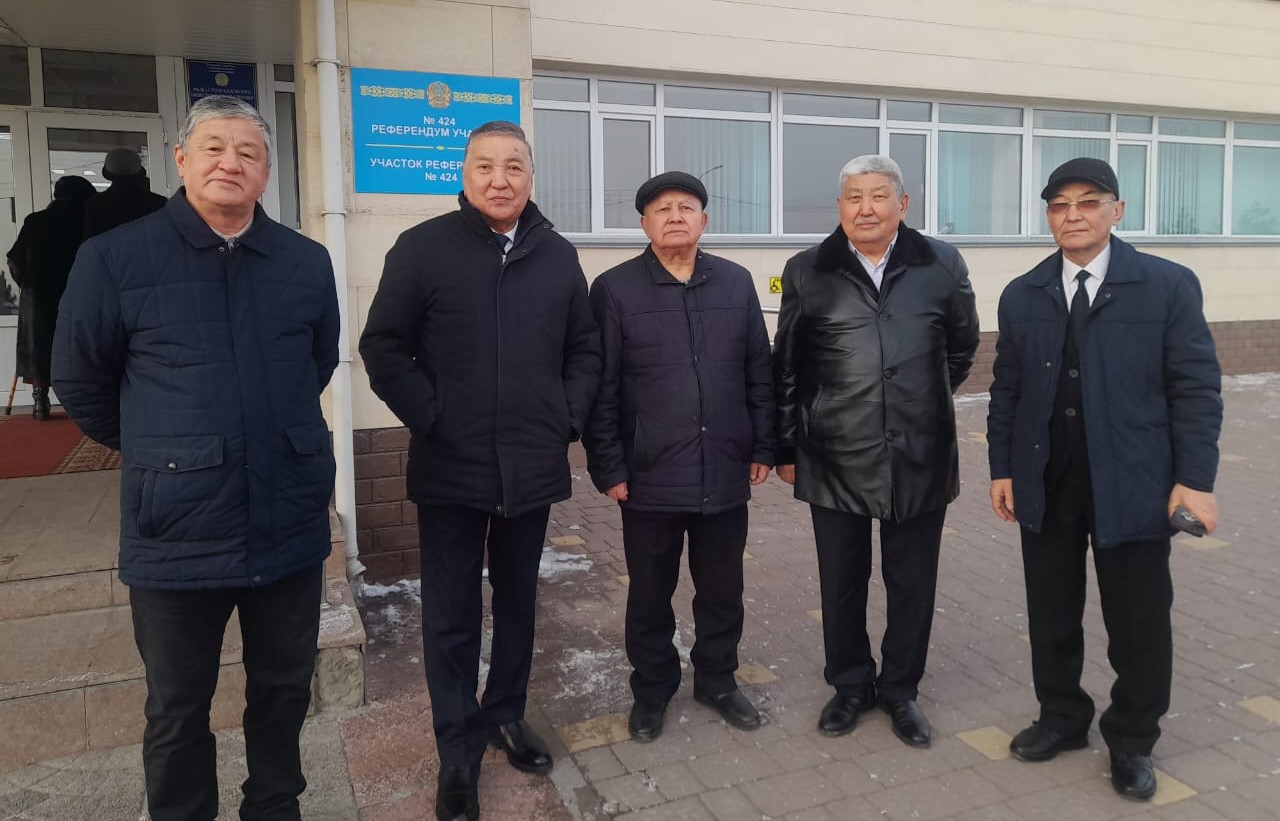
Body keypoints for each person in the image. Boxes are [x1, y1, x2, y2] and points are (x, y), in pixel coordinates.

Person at [52, 95, 340, 821]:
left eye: (248, 152)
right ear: (180, 160)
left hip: (286, 515)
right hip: (176, 528)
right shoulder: (115, 257)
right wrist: (163, 448)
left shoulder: (305, 261)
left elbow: (317, 361)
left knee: (284, 688)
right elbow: (80, 379)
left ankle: (274, 806)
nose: (229, 163)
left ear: (266, 172)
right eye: (213, 147)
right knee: (178, 705)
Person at [358, 120, 601, 821]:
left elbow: (584, 348)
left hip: (532, 462)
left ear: (531, 176)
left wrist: (565, 416)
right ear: (463, 175)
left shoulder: (557, 255)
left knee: (519, 602)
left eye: (513, 166)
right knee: (453, 614)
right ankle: (457, 750)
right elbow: (384, 346)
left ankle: (505, 714)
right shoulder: (422, 248)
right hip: (451, 466)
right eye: (485, 166)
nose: (500, 179)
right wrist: (430, 415)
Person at [987, 157, 1222, 800]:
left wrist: (1195, 479)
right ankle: (1061, 717)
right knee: (1051, 611)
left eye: (1088, 202)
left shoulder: (1166, 285)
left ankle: (1133, 738)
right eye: (1059, 205)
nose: (1073, 215)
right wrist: (1003, 467)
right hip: (1047, 476)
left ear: (1116, 211)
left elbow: (1195, 389)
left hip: (1135, 480)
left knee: (1138, 618)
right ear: (1048, 217)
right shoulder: (1024, 293)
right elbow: (1007, 389)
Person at [773, 154, 978, 749]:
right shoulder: (808, 269)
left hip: (919, 451)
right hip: (833, 451)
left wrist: (917, 401)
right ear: (840, 206)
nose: (866, 208)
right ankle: (849, 686)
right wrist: (785, 443)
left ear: (902, 204)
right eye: (854, 197)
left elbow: (961, 348)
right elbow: (786, 366)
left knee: (912, 580)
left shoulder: (941, 263)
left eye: (878, 196)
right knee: (841, 579)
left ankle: (901, 690)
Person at [584, 171, 775, 742]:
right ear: (644, 223)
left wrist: (764, 444)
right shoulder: (614, 289)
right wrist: (609, 465)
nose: (674, 216)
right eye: (662, 209)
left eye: (686, 207)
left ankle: (717, 680)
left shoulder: (736, 282)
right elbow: (601, 387)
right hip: (649, 474)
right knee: (650, 593)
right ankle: (652, 689)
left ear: (704, 220)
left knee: (722, 590)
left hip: (724, 466)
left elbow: (758, 372)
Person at [6, 175, 96, 420]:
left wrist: (28, 284)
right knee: (77, 347)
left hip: (40, 296)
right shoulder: (87, 221)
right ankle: (81, 403)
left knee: (41, 347)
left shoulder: (36, 221)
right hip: (78, 293)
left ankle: (40, 402)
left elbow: (14, 260)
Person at [83, 147, 168, 238]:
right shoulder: (159, 203)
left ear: (107, 174)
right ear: (140, 172)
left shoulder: (96, 204)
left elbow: (90, 239)